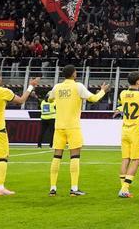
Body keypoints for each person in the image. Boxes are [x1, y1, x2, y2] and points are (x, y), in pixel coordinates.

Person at [47, 65, 111, 196]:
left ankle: (53, 188)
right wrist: (103, 91)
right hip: (73, 126)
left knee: (56, 156)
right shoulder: (78, 86)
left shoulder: (57, 87)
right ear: (73, 74)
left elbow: (49, 99)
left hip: (59, 126)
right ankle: (74, 189)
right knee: (74, 156)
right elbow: (93, 99)